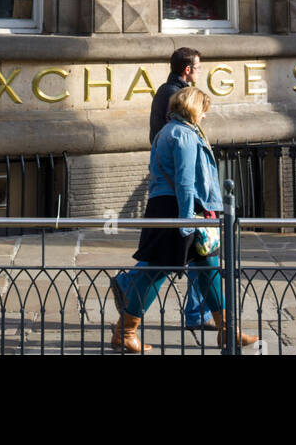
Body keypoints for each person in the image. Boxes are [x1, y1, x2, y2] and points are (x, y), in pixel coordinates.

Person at [110, 86, 257, 354]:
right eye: (203, 111)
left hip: (171, 207)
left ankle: (228, 330)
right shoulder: (184, 135)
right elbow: (185, 181)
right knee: (155, 272)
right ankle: (125, 332)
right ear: (193, 108)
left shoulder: (170, 131)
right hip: (177, 209)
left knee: (208, 267)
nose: (204, 116)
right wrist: (187, 220)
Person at [147, 46, 213, 331]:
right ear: (188, 69)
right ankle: (129, 295)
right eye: (198, 67)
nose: (199, 72)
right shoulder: (175, 104)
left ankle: (208, 316)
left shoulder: (167, 93)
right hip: (177, 195)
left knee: (202, 257)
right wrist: (189, 215)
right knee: (166, 260)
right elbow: (183, 170)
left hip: (177, 194)